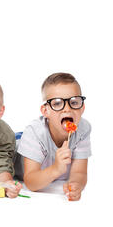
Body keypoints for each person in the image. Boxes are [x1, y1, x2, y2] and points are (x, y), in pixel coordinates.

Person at [16, 72, 91, 201]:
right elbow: (30, 182)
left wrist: (76, 185)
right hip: (15, 147)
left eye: (74, 102)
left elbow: (79, 172)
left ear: (82, 108)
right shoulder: (34, 133)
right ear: (46, 111)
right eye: (57, 103)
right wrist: (56, 169)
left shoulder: (83, 129)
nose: (67, 109)